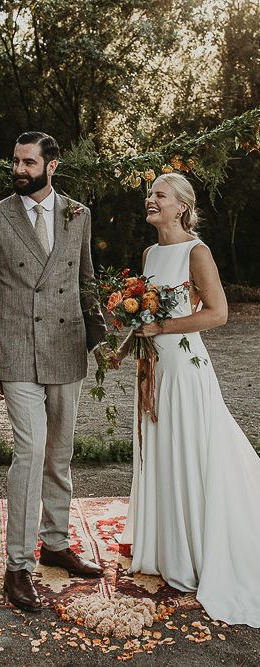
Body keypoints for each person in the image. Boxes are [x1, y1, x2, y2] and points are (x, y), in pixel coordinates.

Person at [0, 131, 109, 613]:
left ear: (52, 166)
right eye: (15, 161)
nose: (18, 170)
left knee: (59, 454)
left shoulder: (78, 214)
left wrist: (101, 342)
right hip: (15, 353)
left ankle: (54, 543)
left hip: (67, 348)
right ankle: (17, 566)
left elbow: (86, 280)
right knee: (29, 452)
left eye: (28, 163)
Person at [118, 172, 260, 627]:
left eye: (160, 194)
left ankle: (192, 552)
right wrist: (125, 345)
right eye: (150, 193)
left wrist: (163, 329)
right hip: (151, 367)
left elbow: (217, 313)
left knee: (188, 451)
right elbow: (146, 315)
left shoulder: (197, 252)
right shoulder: (150, 253)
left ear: (181, 206)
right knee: (158, 448)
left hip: (185, 368)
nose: (150, 199)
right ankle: (161, 547)